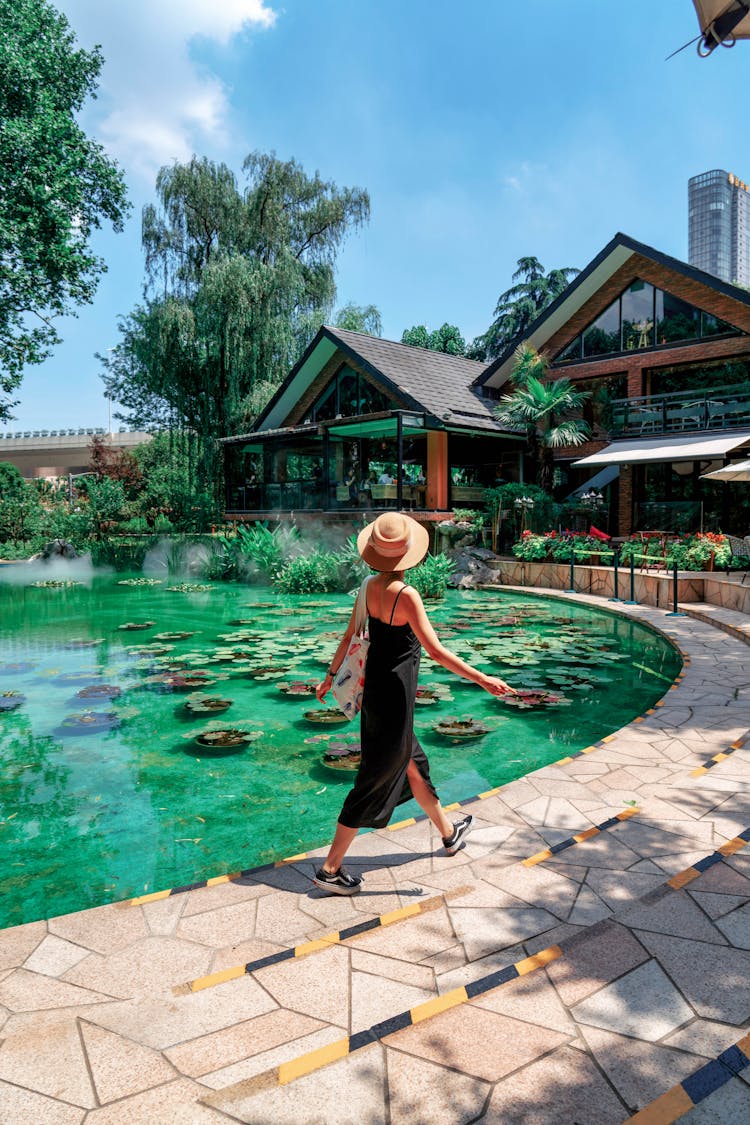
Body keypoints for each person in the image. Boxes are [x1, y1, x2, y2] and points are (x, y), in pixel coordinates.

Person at [313, 512, 516, 895]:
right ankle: (330, 869)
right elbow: (436, 651)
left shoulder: (367, 586)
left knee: (414, 766)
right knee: (373, 780)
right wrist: (482, 678)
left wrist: (329, 677)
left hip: (377, 695)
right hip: (396, 698)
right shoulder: (406, 596)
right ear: (409, 556)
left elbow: (348, 637)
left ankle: (449, 834)